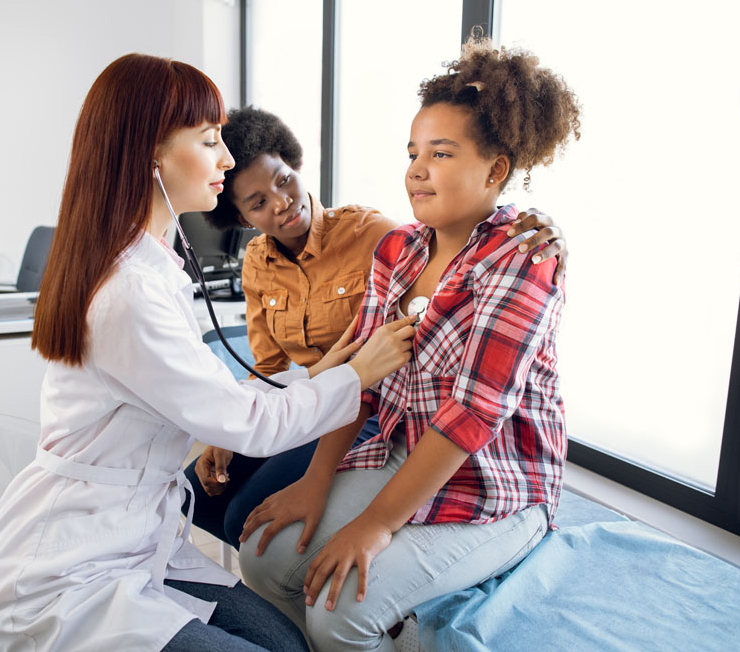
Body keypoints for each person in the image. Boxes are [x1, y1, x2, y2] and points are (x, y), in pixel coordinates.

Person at [0, 53, 416, 652]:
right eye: (210, 141)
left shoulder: (150, 265)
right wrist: (356, 372)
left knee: (285, 642)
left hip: (134, 533)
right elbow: (248, 410)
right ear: (150, 154)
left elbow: (235, 392)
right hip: (74, 567)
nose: (227, 159)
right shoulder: (129, 291)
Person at [237, 39, 581, 652]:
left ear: (495, 170)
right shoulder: (399, 251)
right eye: (413, 152)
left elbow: (472, 415)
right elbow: (361, 378)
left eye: (441, 154)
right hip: (404, 451)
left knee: (340, 615)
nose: (416, 170)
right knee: (263, 563)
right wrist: (316, 480)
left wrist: (374, 526)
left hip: (501, 485)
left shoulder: (523, 259)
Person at [183, 105, 571, 553]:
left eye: (284, 180)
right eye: (258, 203)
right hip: (313, 399)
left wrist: (546, 229)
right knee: (199, 498)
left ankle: (277, 602)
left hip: (361, 406)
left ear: (294, 165)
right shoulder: (257, 263)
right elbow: (268, 367)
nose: (281, 202)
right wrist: (230, 433)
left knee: (243, 516)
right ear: (242, 219)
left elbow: (452, 241)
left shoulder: (373, 234)